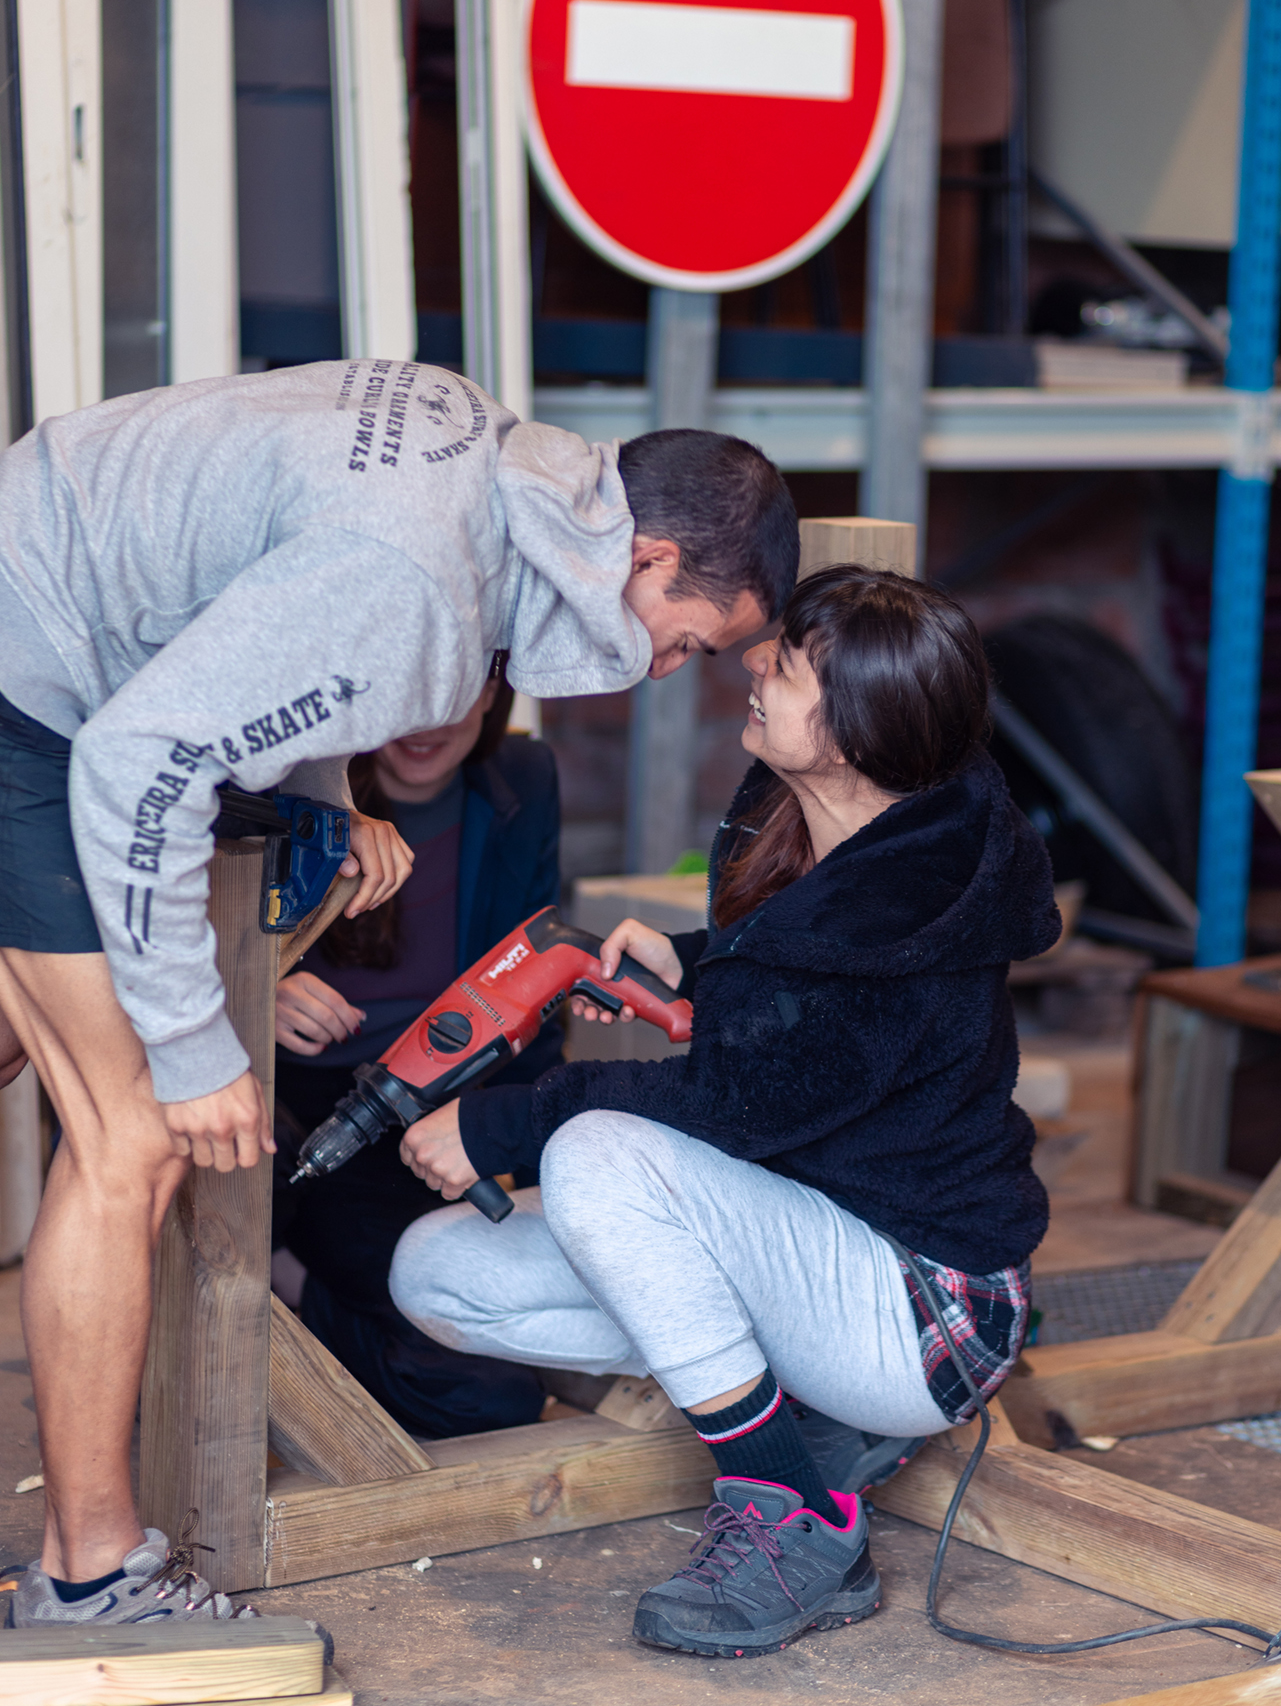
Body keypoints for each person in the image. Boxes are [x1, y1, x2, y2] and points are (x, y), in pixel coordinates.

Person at [0, 358, 796, 1631]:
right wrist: (196, 1045)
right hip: (34, 685)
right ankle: (92, 1579)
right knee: (134, 1135)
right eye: (686, 641)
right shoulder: (420, 581)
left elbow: (274, 608)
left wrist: (323, 796)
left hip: (42, 615)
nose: (663, 671)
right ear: (647, 560)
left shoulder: (475, 447)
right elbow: (137, 761)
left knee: (27, 1041)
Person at [387, 564, 1059, 1662]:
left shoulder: (901, 910)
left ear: (852, 730)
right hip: (814, 1250)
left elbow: (736, 1103)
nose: (751, 662)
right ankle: (809, 1422)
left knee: (596, 1151)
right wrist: (695, 959)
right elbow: (797, 991)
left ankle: (791, 1513)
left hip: (923, 1311)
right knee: (437, 1273)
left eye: (783, 666)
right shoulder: (856, 822)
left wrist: (502, 1125)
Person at [271, 659, 563, 1437]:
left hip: (422, 1116)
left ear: (494, 690)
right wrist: (259, 986)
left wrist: (550, 1176)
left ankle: (291, 1298)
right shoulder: (290, 774)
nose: (428, 720)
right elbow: (173, 933)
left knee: (492, 1393)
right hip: (288, 1102)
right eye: (411, 687)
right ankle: (273, 1280)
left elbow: (535, 989)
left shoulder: (525, 778)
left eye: (456, 687)